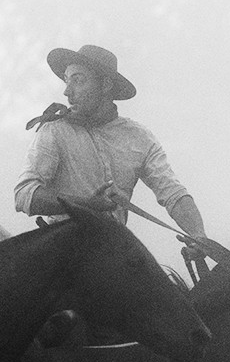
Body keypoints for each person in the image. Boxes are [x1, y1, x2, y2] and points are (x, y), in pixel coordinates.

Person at [15, 44, 210, 258]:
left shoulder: (139, 137)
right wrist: (86, 205)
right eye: (66, 80)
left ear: (106, 84)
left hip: (115, 258)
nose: (67, 91)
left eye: (78, 80)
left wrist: (198, 236)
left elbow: (172, 192)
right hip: (61, 256)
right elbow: (24, 195)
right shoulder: (53, 131)